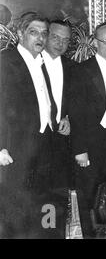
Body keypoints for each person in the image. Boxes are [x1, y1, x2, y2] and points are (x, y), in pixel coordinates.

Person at [69, 23, 106, 236]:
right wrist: (80, 149)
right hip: (89, 144)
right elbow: (75, 114)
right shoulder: (82, 70)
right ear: (95, 42)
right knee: (89, 197)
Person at [0, 12, 56, 235]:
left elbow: (42, 101)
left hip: (43, 145)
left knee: (41, 206)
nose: (40, 38)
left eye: (44, 33)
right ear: (21, 33)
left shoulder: (40, 61)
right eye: (34, 32)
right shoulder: (5, 61)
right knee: (15, 208)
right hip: (16, 148)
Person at [42, 20, 74, 191]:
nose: (60, 43)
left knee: (58, 194)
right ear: (46, 36)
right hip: (35, 142)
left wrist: (69, 118)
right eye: (55, 37)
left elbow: (77, 102)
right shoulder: (32, 64)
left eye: (65, 39)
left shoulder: (73, 68)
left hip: (61, 141)